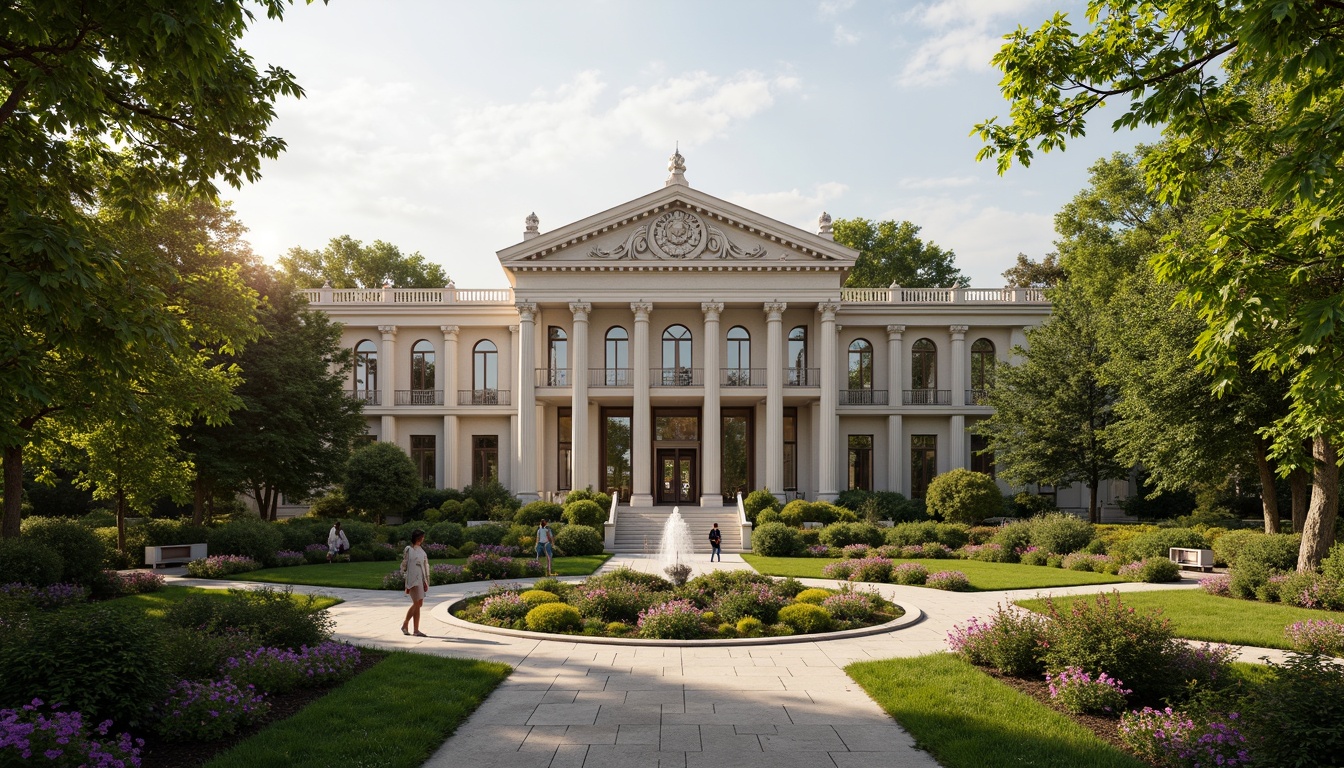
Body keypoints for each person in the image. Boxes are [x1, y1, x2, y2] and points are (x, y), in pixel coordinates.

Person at [400, 529, 430, 637]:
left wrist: (425, 581)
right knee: (417, 604)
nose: (423, 539)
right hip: (413, 579)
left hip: (420, 579)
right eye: (422, 537)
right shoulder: (409, 549)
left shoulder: (421, 550)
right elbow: (405, 565)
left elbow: (424, 565)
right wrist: (407, 582)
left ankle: (405, 624)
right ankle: (416, 630)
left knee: (419, 604)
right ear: (418, 538)